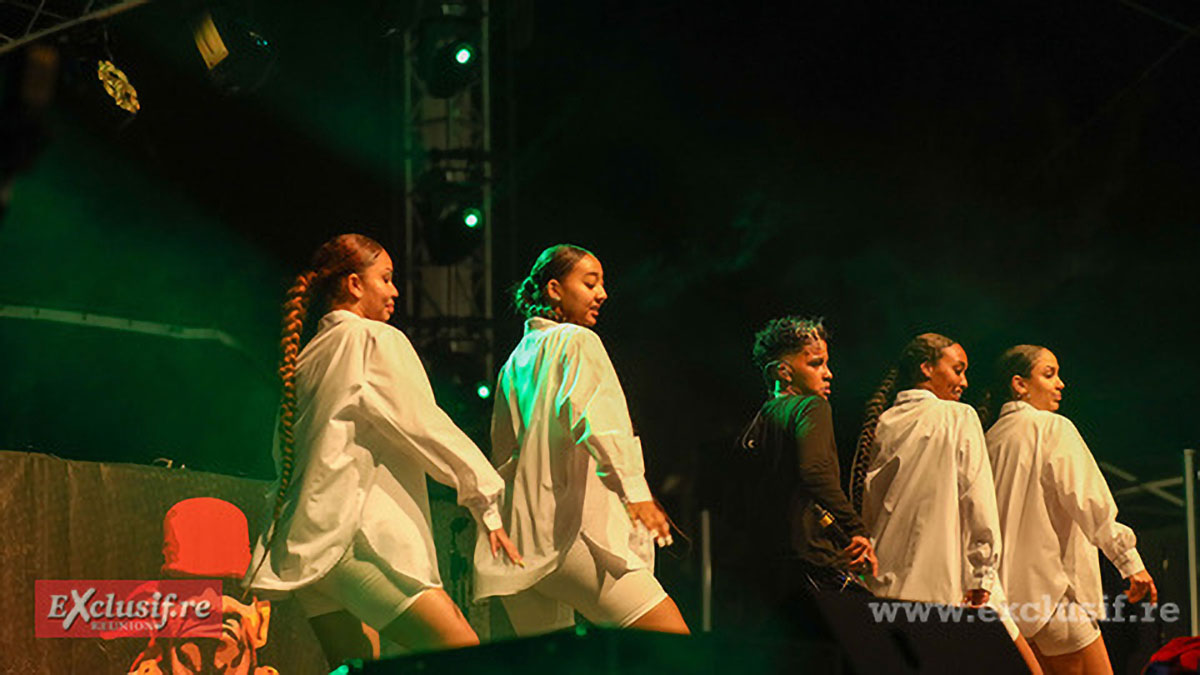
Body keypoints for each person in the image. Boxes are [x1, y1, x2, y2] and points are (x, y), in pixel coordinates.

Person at [243, 233, 521, 664]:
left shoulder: (307, 358)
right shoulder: (373, 339)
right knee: (466, 657)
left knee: (353, 666)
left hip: (304, 545)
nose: (395, 291)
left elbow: (283, 453)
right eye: (386, 279)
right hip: (354, 538)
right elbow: (424, 426)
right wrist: (485, 497)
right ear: (355, 284)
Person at [473, 244, 689, 636]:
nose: (602, 293)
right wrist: (635, 492)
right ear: (554, 289)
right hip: (570, 534)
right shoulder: (576, 341)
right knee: (675, 649)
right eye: (590, 283)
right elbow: (599, 420)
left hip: (520, 539)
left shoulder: (515, 360)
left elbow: (502, 450)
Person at [851, 333, 1040, 673]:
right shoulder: (958, 416)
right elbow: (978, 497)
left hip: (882, 586)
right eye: (957, 370)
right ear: (927, 368)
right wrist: (982, 573)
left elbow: (871, 505)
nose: (964, 381)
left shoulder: (885, 422)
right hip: (936, 586)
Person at [983, 345, 1156, 675]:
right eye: (1049, 374)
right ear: (1019, 384)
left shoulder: (989, 442)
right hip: (1055, 597)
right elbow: (1090, 501)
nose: (1061, 383)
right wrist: (1129, 562)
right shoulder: (1052, 427)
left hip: (1010, 607)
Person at [727, 316, 877, 633]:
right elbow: (816, 471)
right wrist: (855, 529)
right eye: (817, 363)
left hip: (768, 567)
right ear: (783, 371)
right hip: (812, 565)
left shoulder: (756, 424)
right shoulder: (811, 407)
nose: (828, 373)